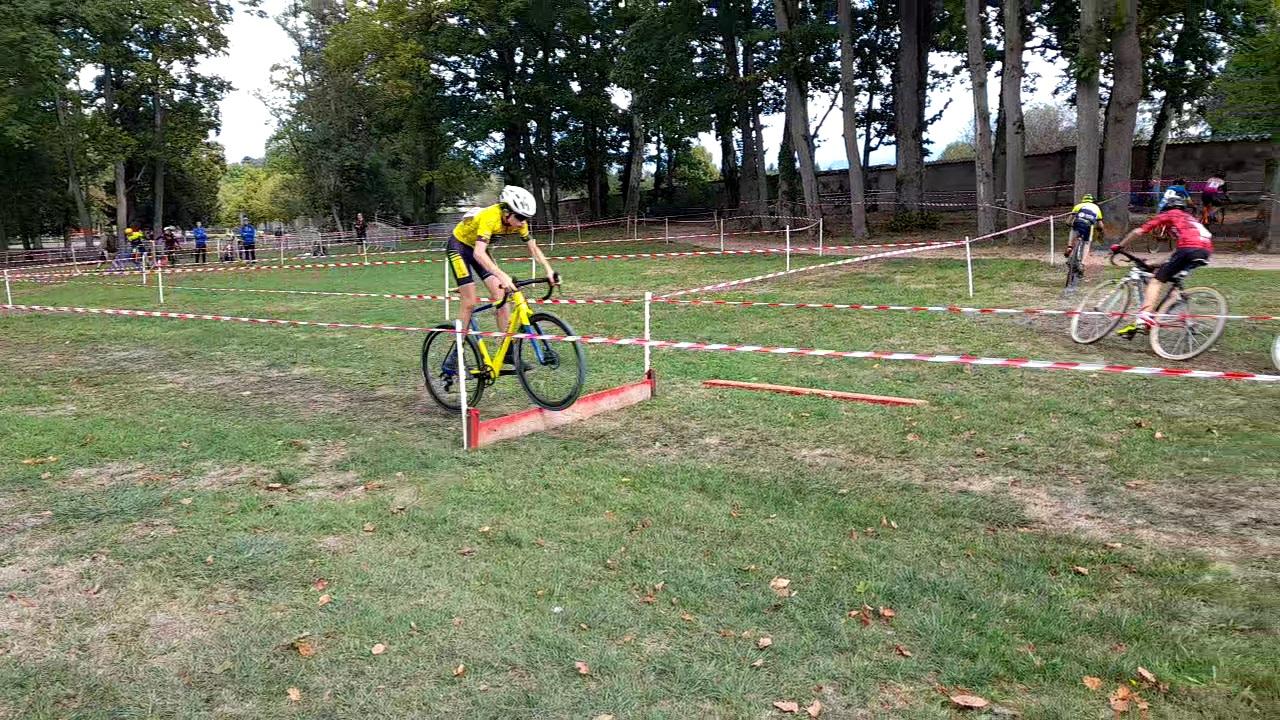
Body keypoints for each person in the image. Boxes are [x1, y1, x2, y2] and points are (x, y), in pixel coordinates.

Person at [446, 186, 557, 350]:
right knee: (469, 302)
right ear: (506, 212)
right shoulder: (490, 217)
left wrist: (549, 270)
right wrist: (502, 275)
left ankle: (507, 350)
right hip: (459, 247)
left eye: (526, 218)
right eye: (519, 217)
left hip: (478, 249)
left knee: (501, 295)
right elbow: (479, 253)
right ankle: (456, 353)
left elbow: (533, 247)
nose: (522, 222)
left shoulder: (520, 223)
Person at [1110, 195, 1213, 336]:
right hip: (1204, 251)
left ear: (1166, 208)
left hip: (1189, 249)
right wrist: (1153, 263)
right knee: (1173, 280)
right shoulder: (1190, 220)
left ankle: (1144, 317)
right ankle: (1164, 313)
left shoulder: (1170, 214)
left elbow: (1138, 231)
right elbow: (1176, 254)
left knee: (1156, 280)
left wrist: (1119, 246)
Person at [1063, 193, 1106, 266]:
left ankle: (1070, 247)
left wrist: (1068, 224)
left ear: (1083, 200)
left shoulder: (1078, 206)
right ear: (1092, 201)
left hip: (1078, 223)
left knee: (1073, 231)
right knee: (1087, 243)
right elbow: (1100, 224)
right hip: (1088, 225)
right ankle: (1082, 262)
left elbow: (1069, 220)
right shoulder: (1096, 208)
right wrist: (1100, 230)